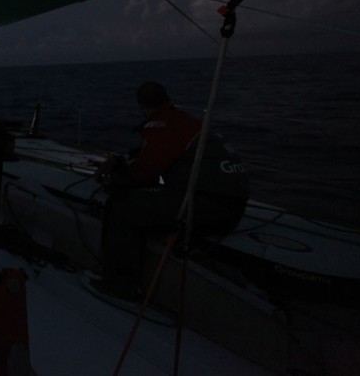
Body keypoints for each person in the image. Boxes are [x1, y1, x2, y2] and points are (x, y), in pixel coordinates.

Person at [92, 81, 249, 299]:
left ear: (142, 106)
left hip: (209, 209)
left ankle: (121, 286)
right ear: (167, 100)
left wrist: (115, 180)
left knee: (121, 207)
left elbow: (144, 175)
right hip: (233, 207)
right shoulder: (186, 122)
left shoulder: (161, 126)